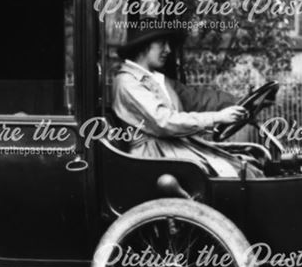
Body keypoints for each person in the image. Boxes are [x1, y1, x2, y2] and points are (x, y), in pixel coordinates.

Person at [112, 30, 262, 178]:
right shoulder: (127, 81)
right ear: (143, 46)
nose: (168, 50)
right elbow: (163, 121)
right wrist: (217, 117)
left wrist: (241, 102)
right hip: (153, 156)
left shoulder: (157, 79)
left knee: (249, 165)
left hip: (172, 147)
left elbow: (197, 99)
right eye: (162, 44)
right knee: (238, 174)